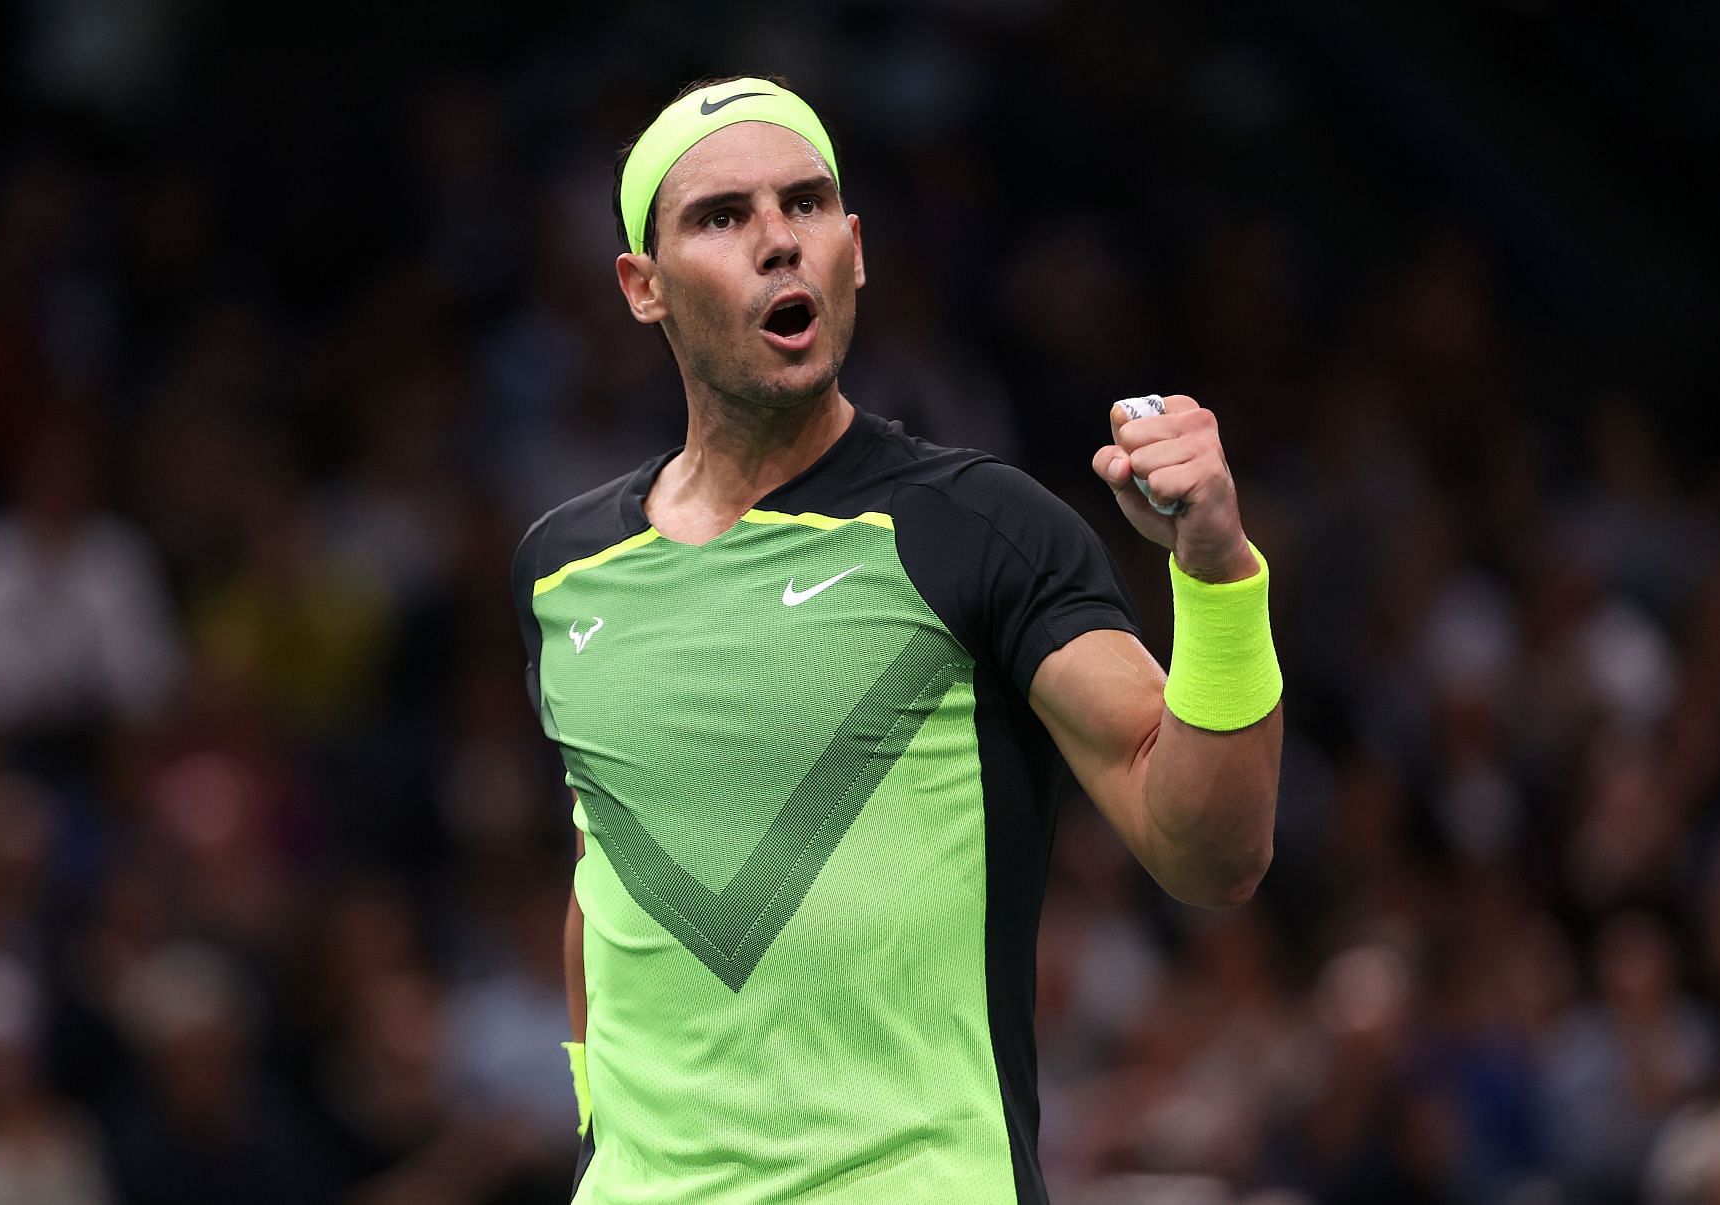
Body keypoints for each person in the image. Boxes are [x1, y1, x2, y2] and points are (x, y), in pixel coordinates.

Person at [509, 74, 1283, 1204]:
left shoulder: (978, 529)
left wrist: (1214, 573)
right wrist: (600, 1133)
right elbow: (606, 869)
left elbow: (1213, 853)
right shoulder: (561, 567)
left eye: (806, 204)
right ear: (642, 285)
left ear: (854, 250)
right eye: (721, 217)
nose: (779, 241)